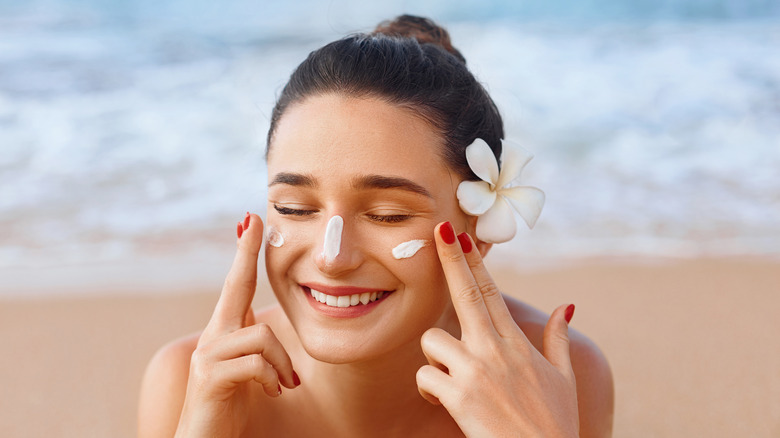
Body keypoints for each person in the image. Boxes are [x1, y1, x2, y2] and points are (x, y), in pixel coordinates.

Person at [138, 15, 614, 437]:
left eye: (388, 215)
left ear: (477, 227)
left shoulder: (551, 379)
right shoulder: (189, 382)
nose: (332, 256)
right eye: (296, 208)